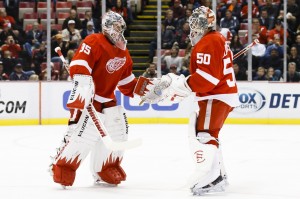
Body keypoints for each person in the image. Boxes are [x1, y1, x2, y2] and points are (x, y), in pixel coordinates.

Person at [140, 6, 239, 195]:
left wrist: (182, 85)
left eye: (198, 23)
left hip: (216, 96)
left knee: (204, 136)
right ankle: (219, 175)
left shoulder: (208, 42)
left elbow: (207, 79)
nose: (193, 27)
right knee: (209, 135)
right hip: (221, 94)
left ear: (206, 24)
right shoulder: (216, 39)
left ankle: (212, 178)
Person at [49, 11, 139, 187]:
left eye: (121, 27)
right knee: (82, 135)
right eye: (116, 27)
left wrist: (147, 89)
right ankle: (63, 166)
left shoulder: (123, 53)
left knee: (118, 132)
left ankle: (105, 167)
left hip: (108, 99)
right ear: (107, 27)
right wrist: (83, 82)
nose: (119, 30)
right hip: (88, 99)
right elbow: (80, 63)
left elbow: (127, 83)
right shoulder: (94, 41)